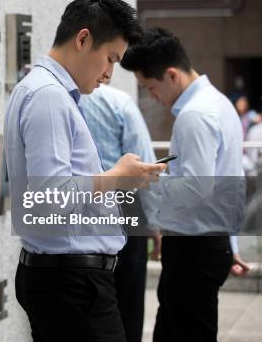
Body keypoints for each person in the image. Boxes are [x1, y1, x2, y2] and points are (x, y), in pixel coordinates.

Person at [4, 0, 166, 342]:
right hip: (73, 285)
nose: (109, 74)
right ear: (82, 39)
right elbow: (49, 198)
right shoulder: (48, 95)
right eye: (110, 59)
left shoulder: (45, 91)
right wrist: (117, 177)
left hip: (69, 282)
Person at [121, 27, 243, 341]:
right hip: (205, 243)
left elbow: (196, 189)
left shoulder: (195, 115)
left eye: (150, 87)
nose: (152, 97)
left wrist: (144, 179)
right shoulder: (218, 102)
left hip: (194, 247)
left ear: (172, 75)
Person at [79, 82, 158, 342]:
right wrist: (156, 223)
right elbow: (145, 166)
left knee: (87, 298)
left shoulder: (63, 101)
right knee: (128, 301)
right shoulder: (119, 102)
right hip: (125, 203)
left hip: (80, 206)